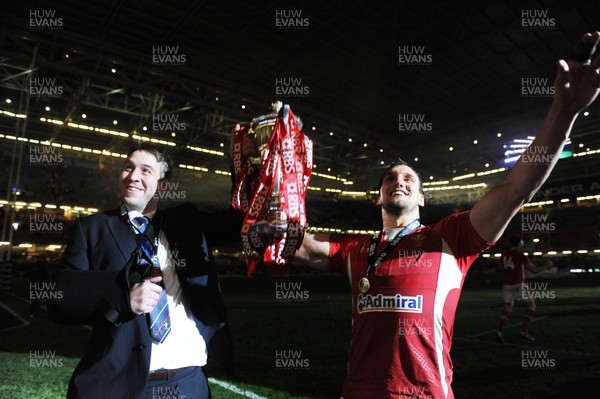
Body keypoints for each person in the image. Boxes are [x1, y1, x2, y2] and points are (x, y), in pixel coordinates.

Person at [294, 32, 600, 399]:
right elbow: (292, 243)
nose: (399, 181)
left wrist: (563, 110)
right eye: (390, 178)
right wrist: (265, 181)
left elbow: (516, 190)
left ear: (422, 198)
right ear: (377, 198)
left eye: (408, 178)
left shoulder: (451, 238)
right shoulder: (356, 250)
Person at [49, 141, 248, 399]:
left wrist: (242, 161)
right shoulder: (92, 228)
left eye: (145, 170)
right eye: (128, 167)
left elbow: (240, 221)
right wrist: (122, 296)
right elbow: (59, 299)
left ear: (162, 186)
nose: (133, 176)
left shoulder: (187, 222)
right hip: (121, 386)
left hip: (188, 384)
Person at [496, 236, 550, 343]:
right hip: (518, 284)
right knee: (531, 305)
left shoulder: (504, 255)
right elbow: (534, 270)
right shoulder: (520, 255)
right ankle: (524, 331)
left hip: (507, 284)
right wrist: (547, 266)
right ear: (519, 244)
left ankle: (499, 332)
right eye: (522, 244)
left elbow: (500, 268)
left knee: (507, 308)